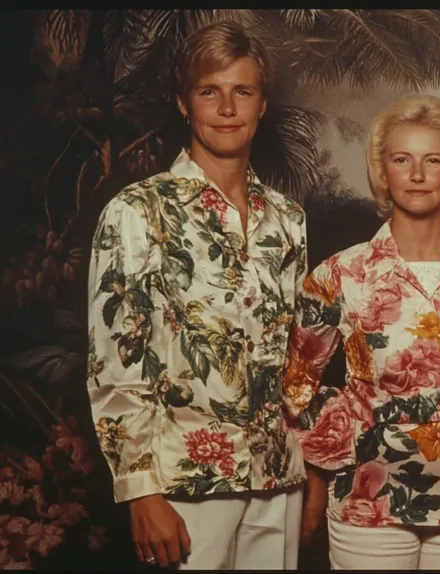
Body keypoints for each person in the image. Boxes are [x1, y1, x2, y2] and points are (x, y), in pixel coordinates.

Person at [87, 22, 307, 570]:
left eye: (243, 91)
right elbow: (116, 362)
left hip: (279, 478)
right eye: (210, 91)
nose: (227, 107)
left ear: (262, 103)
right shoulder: (138, 211)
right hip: (185, 484)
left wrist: (312, 468)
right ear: (184, 103)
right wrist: (140, 491)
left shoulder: (288, 219)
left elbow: (298, 360)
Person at [281, 94, 440, 570]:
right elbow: (296, 382)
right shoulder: (340, 274)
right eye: (401, 159)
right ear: (383, 172)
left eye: (432, 160)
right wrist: (343, 441)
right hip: (368, 502)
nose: (417, 174)